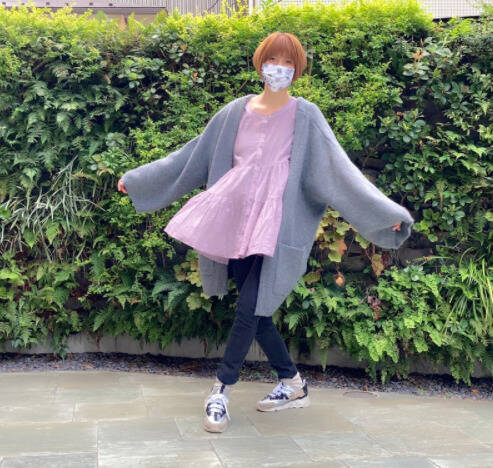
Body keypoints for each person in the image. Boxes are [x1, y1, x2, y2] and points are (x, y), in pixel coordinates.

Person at [118, 32, 407, 434]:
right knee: (258, 310)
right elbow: (190, 156)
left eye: (288, 62)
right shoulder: (233, 113)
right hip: (234, 222)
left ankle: (220, 390)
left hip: (276, 227)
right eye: (273, 59)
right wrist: (139, 181)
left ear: (297, 70)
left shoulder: (306, 116)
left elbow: (340, 172)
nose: (279, 68)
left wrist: (385, 213)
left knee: (250, 308)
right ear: (260, 64)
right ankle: (293, 383)